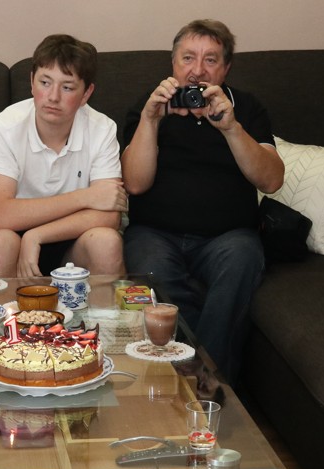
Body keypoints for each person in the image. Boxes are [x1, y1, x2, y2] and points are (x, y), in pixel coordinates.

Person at [121, 19, 284, 382]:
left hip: (228, 238)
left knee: (243, 259)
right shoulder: (149, 106)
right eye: (188, 58)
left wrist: (231, 128)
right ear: (173, 63)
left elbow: (272, 180)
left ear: (226, 69)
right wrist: (150, 120)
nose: (197, 70)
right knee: (150, 269)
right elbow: (135, 183)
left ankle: (200, 381)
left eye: (210, 60)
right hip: (155, 234)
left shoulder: (246, 108)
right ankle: (204, 379)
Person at [0, 34, 126, 278]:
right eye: (45, 82)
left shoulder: (102, 128)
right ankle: (4, 306)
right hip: (13, 234)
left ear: (86, 93)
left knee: (106, 242)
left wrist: (37, 235)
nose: (53, 97)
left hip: (75, 235)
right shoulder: (3, 126)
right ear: (31, 82)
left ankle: (102, 307)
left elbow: (110, 216)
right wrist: (86, 196)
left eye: (67, 87)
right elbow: (1, 216)